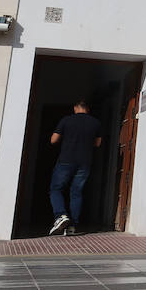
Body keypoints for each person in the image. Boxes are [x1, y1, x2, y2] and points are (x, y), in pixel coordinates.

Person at [49, 100, 101, 235]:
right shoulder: (95, 122)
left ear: (75, 108)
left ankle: (61, 215)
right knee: (76, 192)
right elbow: (97, 143)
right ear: (87, 109)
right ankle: (72, 226)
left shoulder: (66, 120)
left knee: (56, 189)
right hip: (85, 162)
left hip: (66, 160)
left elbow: (53, 140)